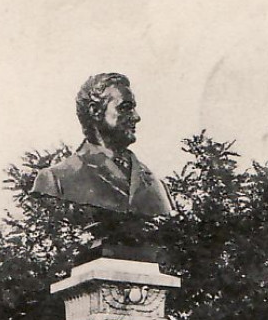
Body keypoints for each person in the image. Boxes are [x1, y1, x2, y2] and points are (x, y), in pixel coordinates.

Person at [31, 72, 174, 217]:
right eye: (125, 108)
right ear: (95, 111)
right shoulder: (56, 180)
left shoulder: (157, 185)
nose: (136, 117)